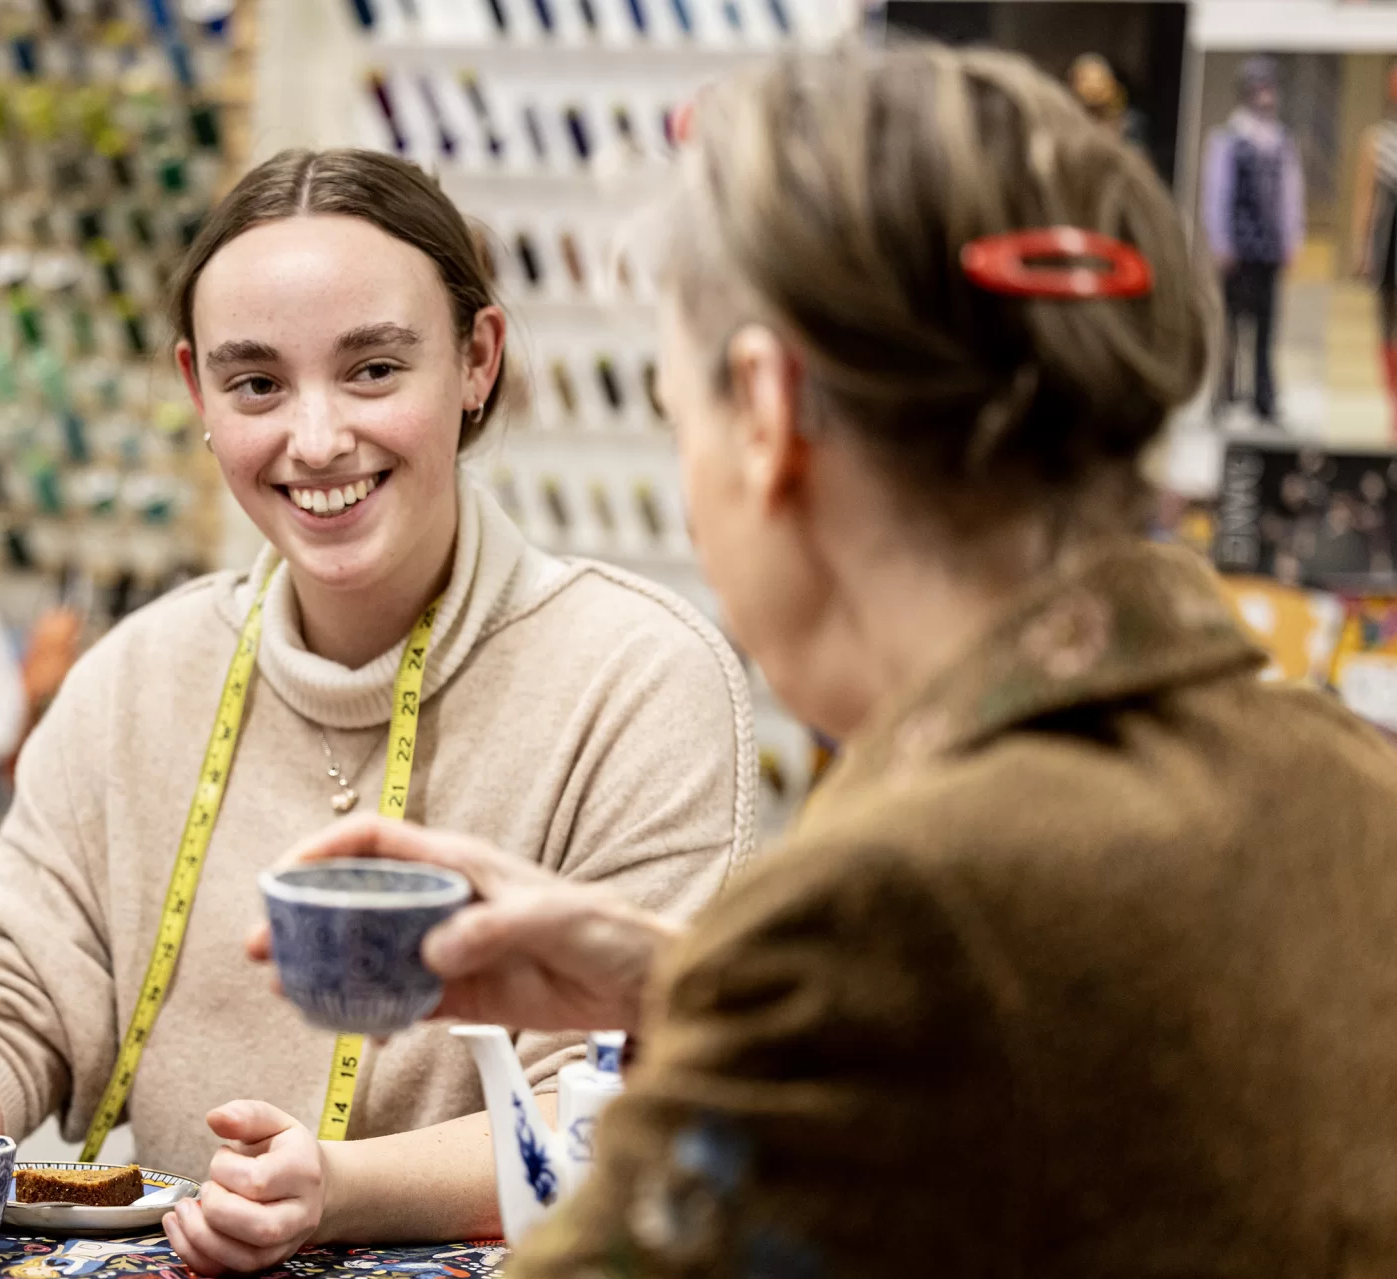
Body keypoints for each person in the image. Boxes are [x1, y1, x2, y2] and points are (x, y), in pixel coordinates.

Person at [260, 42, 1397, 1277]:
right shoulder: (1345, 787)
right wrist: (688, 985)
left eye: (671, 411)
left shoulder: (881, 919)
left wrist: (758, 998)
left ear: (762, 410)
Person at [0, 148, 756, 1275]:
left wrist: (338, 1188)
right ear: (198, 393)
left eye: (371, 370)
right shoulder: (139, 674)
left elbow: (616, 1105)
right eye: (256, 384)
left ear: (476, 360)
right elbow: (5, 992)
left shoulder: (637, 676)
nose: (314, 440)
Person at [1202, 55, 1305, 426]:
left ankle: (1264, 396)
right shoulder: (1230, 139)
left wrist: (1292, 237)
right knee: (1231, 324)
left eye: (1270, 88)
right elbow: (1217, 192)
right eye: (1259, 88)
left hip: (1269, 250)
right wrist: (1220, 242)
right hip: (1238, 249)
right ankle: (1224, 393)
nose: (1266, 96)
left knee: (1266, 327)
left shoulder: (1279, 141)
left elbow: (1290, 195)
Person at [1350, 58, 1397, 438]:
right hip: (1387, 246)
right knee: (1385, 326)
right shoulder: (1377, 139)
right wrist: (1361, 248)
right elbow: (1366, 199)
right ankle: (1393, 401)